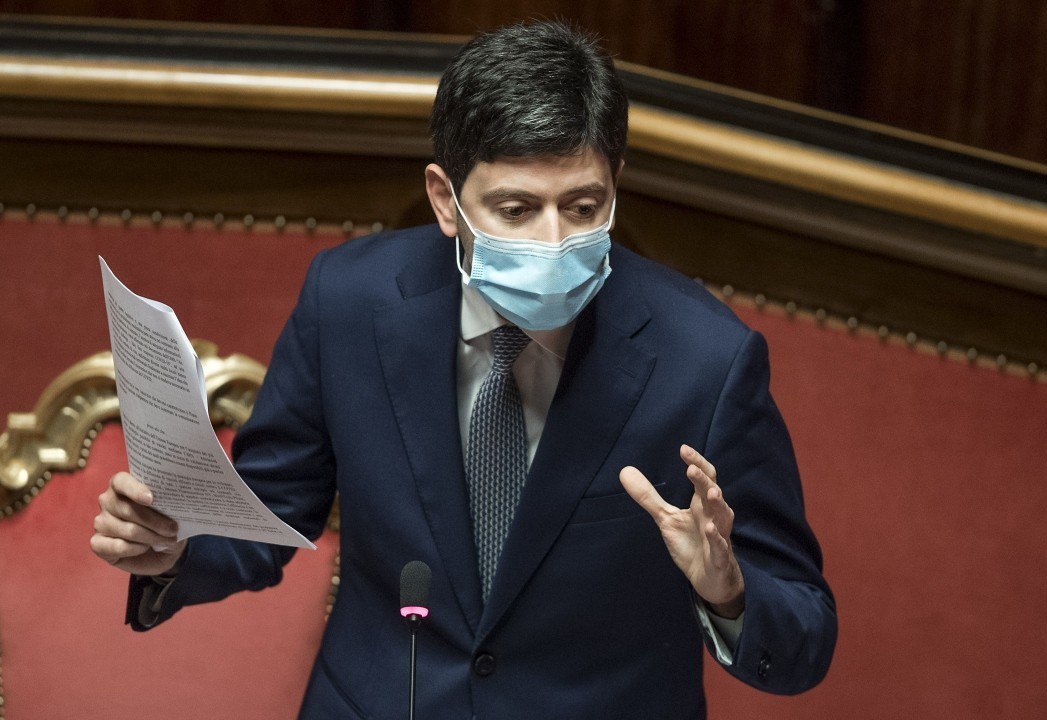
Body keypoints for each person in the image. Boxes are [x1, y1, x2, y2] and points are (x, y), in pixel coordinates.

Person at [91, 20, 836, 719]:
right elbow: (272, 511)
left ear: (616, 181)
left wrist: (729, 594)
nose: (553, 241)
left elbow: (805, 632)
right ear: (445, 200)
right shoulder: (348, 301)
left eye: (583, 206)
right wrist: (174, 547)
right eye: (515, 210)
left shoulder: (707, 358)